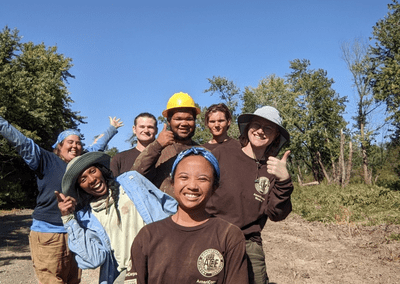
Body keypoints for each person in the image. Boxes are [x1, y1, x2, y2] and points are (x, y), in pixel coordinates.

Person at [0, 115, 123, 284]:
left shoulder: (81, 165)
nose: (75, 146)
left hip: (75, 232)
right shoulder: (45, 160)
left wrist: (112, 128)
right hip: (48, 233)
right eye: (70, 142)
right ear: (59, 147)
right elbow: (21, 141)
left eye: (78, 143)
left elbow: (97, 146)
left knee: (74, 280)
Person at [125, 147, 249, 284]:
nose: (192, 186)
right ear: (172, 183)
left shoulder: (228, 235)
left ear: (214, 187)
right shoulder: (148, 235)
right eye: (184, 177)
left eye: (202, 179)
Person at [56, 151, 177, 284]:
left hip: (165, 258)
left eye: (92, 171)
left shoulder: (131, 180)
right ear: (80, 188)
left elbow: (168, 205)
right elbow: (93, 260)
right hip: (131, 272)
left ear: (101, 170)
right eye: (83, 180)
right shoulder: (87, 218)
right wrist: (68, 219)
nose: (92, 180)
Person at [206, 106, 293, 284]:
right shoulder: (222, 153)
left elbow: (276, 214)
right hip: (212, 235)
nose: (260, 131)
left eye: (268, 128)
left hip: (248, 241)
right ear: (247, 128)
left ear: (276, 135)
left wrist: (284, 181)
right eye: (256, 125)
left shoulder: (273, 169)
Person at [132, 92, 200, 198]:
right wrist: (157, 144)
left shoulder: (203, 152)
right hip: (165, 214)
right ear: (169, 121)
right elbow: (134, 175)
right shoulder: (158, 150)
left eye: (189, 119)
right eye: (178, 119)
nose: (184, 123)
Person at [110, 112, 158, 177]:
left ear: (156, 130)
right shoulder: (119, 159)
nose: (146, 130)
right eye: (142, 127)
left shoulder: (165, 156)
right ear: (134, 129)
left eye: (150, 127)